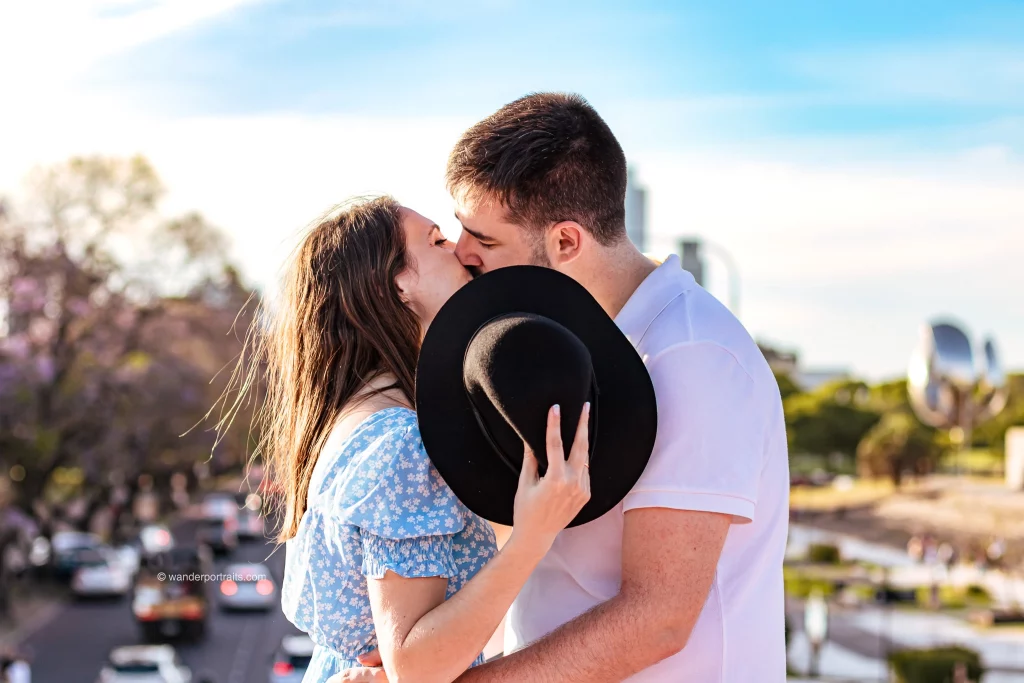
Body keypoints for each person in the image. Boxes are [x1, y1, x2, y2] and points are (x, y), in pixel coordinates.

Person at [335, 92, 790, 683]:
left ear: (567, 242)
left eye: (485, 240)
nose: (464, 255)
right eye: (459, 231)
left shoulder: (691, 357)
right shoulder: (550, 350)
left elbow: (659, 617)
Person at [247, 197, 593, 683]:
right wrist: (535, 535)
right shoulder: (401, 443)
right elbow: (417, 666)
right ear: (398, 286)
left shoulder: (360, 419)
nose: (459, 249)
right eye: (435, 240)